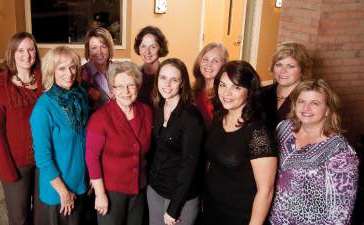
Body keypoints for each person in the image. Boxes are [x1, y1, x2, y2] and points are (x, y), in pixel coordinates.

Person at [269, 79, 359, 225]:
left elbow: (341, 214)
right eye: (301, 101)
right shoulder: (283, 128)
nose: (306, 108)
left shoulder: (341, 152)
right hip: (273, 220)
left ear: (328, 109)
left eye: (315, 103)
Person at [203, 61, 277, 225]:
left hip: (239, 215)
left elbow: (266, 191)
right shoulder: (219, 117)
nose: (226, 93)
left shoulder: (258, 132)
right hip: (211, 208)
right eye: (222, 85)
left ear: (249, 91)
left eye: (236, 87)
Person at [85, 61, 152, 225]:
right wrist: (100, 195)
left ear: (138, 86)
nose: (126, 91)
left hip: (139, 189)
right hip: (111, 191)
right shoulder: (100, 118)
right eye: (119, 86)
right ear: (112, 89)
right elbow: (91, 158)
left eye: (130, 85)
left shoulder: (147, 111)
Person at [0, 31, 43, 225]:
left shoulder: (46, 80)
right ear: (12, 53)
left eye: (30, 49)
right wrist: (7, 170)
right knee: (19, 217)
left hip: (45, 160)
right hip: (17, 164)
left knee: (42, 214)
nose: (26, 55)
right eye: (20, 50)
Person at [30, 46, 88, 225]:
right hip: (59, 191)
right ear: (51, 71)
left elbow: (86, 141)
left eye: (72, 67)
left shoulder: (81, 96)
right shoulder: (43, 108)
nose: (69, 73)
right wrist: (63, 192)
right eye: (61, 68)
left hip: (81, 182)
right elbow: (42, 158)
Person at [148, 58, 205, 225]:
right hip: (156, 188)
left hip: (180, 197)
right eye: (163, 78)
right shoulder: (158, 106)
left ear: (182, 83)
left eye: (174, 79)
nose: (167, 84)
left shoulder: (191, 117)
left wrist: (174, 208)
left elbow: (190, 166)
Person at [261, 42, 311, 132]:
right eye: (279, 65)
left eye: (291, 66)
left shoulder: (310, 98)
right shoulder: (262, 93)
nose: (283, 71)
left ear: (302, 69)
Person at [193, 42, 229, 128]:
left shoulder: (227, 94)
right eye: (205, 59)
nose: (209, 65)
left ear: (224, 65)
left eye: (215, 61)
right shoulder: (193, 91)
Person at [80, 26, 114, 112]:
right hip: (95, 122)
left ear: (109, 48)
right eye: (94, 48)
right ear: (88, 50)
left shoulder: (120, 70)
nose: (99, 52)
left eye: (103, 46)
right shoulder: (81, 75)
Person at [133, 25, 169, 106]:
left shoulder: (168, 74)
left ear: (160, 48)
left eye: (153, 47)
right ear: (138, 48)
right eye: (143, 46)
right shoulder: (133, 75)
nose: (147, 51)